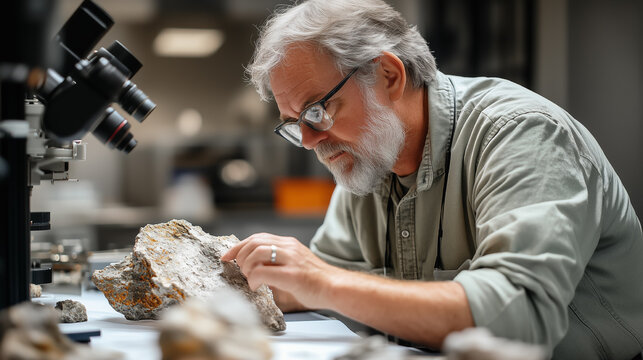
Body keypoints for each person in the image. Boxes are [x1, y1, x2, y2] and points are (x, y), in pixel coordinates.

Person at [221, 0, 643, 358]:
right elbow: (329, 289)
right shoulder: (367, 159)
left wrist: (320, 281)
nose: (311, 142)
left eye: (317, 110)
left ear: (388, 76)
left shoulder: (521, 133)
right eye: (294, 123)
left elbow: (522, 319)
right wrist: (261, 283)